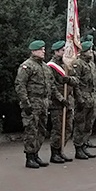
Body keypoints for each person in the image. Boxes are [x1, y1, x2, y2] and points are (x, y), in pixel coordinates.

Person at [15, 40, 53, 169]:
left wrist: (49, 101)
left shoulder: (45, 67)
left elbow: (50, 85)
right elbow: (20, 85)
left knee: (41, 129)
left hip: (43, 102)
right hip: (32, 102)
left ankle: (36, 153)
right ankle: (29, 157)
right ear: (33, 51)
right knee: (31, 129)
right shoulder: (27, 66)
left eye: (44, 49)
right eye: (41, 49)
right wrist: (25, 103)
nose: (43, 51)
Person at [71, 36, 96, 159]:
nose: (91, 52)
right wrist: (79, 98)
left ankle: (84, 145)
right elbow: (76, 83)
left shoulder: (91, 63)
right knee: (80, 124)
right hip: (83, 97)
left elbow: (95, 82)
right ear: (83, 51)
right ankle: (78, 147)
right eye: (89, 50)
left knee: (89, 124)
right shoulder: (78, 63)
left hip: (91, 97)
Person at [47, 40, 76, 163]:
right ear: (56, 51)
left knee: (68, 128)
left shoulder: (67, 64)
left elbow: (76, 80)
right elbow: (51, 86)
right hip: (57, 102)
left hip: (68, 100)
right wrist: (60, 99)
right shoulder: (51, 66)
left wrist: (68, 79)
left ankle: (61, 150)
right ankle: (54, 153)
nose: (65, 52)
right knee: (58, 129)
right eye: (63, 50)